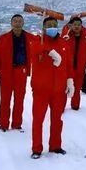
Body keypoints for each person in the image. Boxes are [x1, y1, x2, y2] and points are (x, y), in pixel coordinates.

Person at [29, 16, 75, 159]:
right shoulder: (38, 41)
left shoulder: (64, 43)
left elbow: (68, 64)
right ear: (43, 28)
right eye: (49, 25)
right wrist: (49, 51)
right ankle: (37, 148)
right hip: (41, 90)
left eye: (54, 25)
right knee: (38, 120)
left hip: (59, 90)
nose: (52, 27)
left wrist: (70, 81)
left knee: (57, 119)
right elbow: (34, 48)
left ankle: (55, 145)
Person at [0, 15, 35, 131]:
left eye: (20, 21)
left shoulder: (30, 37)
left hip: (21, 71)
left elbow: (43, 43)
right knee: (5, 99)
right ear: (11, 23)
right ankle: (3, 124)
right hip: (5, 72)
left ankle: (17, 123)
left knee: (19, 99)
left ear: (23, 23)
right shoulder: (3, 38)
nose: (17, 23)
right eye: (15, 21)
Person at [65, 17, 86, 109]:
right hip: (67, 67)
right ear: (71, 26)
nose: (77, 26)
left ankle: (75, 105)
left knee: (77, 88)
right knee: (64, 88)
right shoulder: (67, 36)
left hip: (80, 67)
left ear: (82, 26)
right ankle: (61, 106)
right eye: (75, 24)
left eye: (79, 24)